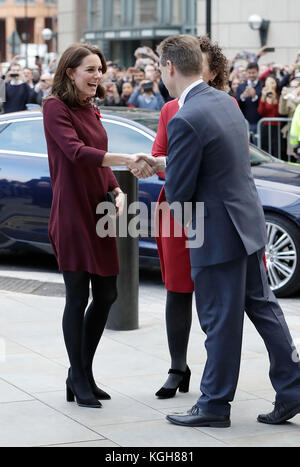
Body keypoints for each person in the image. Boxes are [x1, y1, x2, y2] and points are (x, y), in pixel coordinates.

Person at [156, 34, 300, 428]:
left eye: (160, 68)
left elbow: (181, 190)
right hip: (246, 223)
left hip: (216, 231)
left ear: (170, 67)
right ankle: (293, 388)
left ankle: (214, 404)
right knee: (264, 308)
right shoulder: (226, 103)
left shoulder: (185, 117)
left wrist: (158, 168)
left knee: (220, 319)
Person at [43, 43, 155, 409]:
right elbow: (76, 153)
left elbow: (99, 160)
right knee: (77, 296)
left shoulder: (93, 108)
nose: (98, 76)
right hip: (72, 214)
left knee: (107, 294)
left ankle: (81, 373)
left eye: (100, 69)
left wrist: (116, 188)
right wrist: (128, 159)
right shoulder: (54, 107)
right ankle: (79, 375)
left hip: (100, 213)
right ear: (70, 72)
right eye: (90, 69)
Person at [152, 35, 230, 400]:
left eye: (206, 66)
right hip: (177, 213)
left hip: (211, 212)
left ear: (214, 72)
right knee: (177, 292)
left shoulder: (225, 106)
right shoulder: (170, 110)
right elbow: (159, 157)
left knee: (214, 296)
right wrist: (172, 166)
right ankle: (177, 367)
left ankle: (215, 378)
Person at [236, 62, 263, 142]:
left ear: (257, 72)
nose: (251, 75)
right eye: (249, 73)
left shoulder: (262, 85)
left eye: (253, 73)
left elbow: (264, 104)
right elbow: (236, 103)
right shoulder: (240, 87)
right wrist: (242, 97)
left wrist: (255, 96)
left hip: (258, 122)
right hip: (244, 122)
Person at [258, 75, 281, 157]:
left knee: (276, 150)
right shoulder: (263, 95)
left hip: (277, 127)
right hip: (265, 126)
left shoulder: (279, 95)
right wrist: (263, 97)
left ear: (276, 84)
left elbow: (278, 113)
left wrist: (274, 100)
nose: (270, 85)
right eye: (268, 82)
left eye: (272, 83)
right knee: (265, 149)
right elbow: (261, 112)